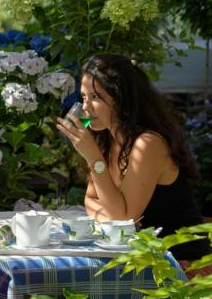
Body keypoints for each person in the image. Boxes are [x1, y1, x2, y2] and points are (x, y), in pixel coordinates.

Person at [56, 52, 206, 263]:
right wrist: (112, 221)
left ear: (121, 99)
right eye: (84, 97)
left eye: (96, 97)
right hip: (142, 261)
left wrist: (94, 159)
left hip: (182, 269)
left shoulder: (148, 144)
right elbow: (90, 200)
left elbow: (123, 219)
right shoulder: (106, 140)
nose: (86, 107)